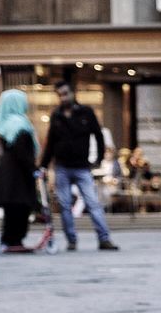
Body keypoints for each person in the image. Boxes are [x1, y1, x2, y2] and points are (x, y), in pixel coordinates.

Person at [39, 79, 118, 251]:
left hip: (82, 166)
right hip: (62, 167)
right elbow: (51, 142)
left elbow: (98, 135)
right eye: (60, 95)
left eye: (66, 93)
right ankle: (71, 240)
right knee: (65, 205)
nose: (64, 97)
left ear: (72, 93)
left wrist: (98, 159)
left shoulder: (86, 112)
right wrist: (43, 165)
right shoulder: (57, 115)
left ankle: (104, 238)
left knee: (92, 203)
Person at [0, 89, 40, 254]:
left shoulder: (3, 123)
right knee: (20, 209)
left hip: (7, 175)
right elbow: (23, 153)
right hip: (18, 176)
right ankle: (15, 240)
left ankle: (8, 240)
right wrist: (34, 169)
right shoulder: (20, 124)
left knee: (10, 211)